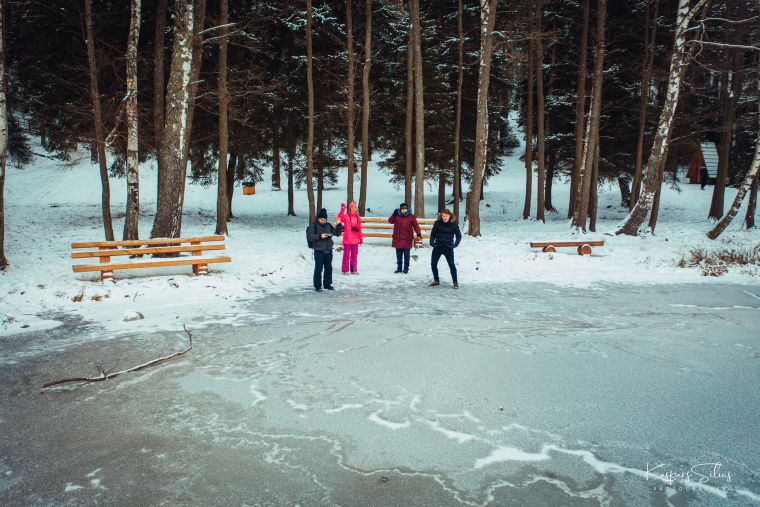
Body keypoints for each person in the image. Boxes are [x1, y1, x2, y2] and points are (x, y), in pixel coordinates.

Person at [308, 208, 344, 292]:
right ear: (318, 218)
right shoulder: (313, 226)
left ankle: (327, 284)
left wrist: (339, 225)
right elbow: (310, 237)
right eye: (322, 219)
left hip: (328, 251)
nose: (323, 221)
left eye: (325, 220)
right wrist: (320, 236)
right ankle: (317, 286)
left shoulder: (328, 225)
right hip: (319, 251)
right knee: (319, 268)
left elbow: (337, 233)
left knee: (328, 268)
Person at [429, 208, 462, 289]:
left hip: (448, 247)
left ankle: (455, 282)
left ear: (449, 216)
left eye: (446, 216)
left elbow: (458, 236)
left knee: (451, 264)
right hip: (438, 247)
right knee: (433, 264)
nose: (444, 217)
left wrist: (455, 244)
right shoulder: (437, 223)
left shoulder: (453, 224)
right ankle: (436, 280)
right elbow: (433, 234)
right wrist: (432, 242)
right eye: (443, 216)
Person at [388, 202, 422, 274]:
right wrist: (393, 215)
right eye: (402, 209)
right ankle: (399, 268)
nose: (404, 210)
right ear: (400, 209)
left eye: (405, 209)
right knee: (399, 255)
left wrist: (418, 233)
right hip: (398, 238)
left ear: (407, 209)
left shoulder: (411, 216)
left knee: (406, 254)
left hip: (407, 238)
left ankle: (406, 268)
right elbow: (390, 221)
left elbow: (416, 225)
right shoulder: (396, 215)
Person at [337, 201, 363, 274]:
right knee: (346, 255)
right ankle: (345, 270)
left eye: (355, 208)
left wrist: (360, 238)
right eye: (352, 208)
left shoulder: (358, 217)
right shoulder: (346, 216)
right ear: (350, 209)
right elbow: (339, 218)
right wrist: (342, 209)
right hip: (347, 240)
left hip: (355, 240)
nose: (354, 209)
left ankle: (353, 270)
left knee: (354, 255)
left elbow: (359, 229)